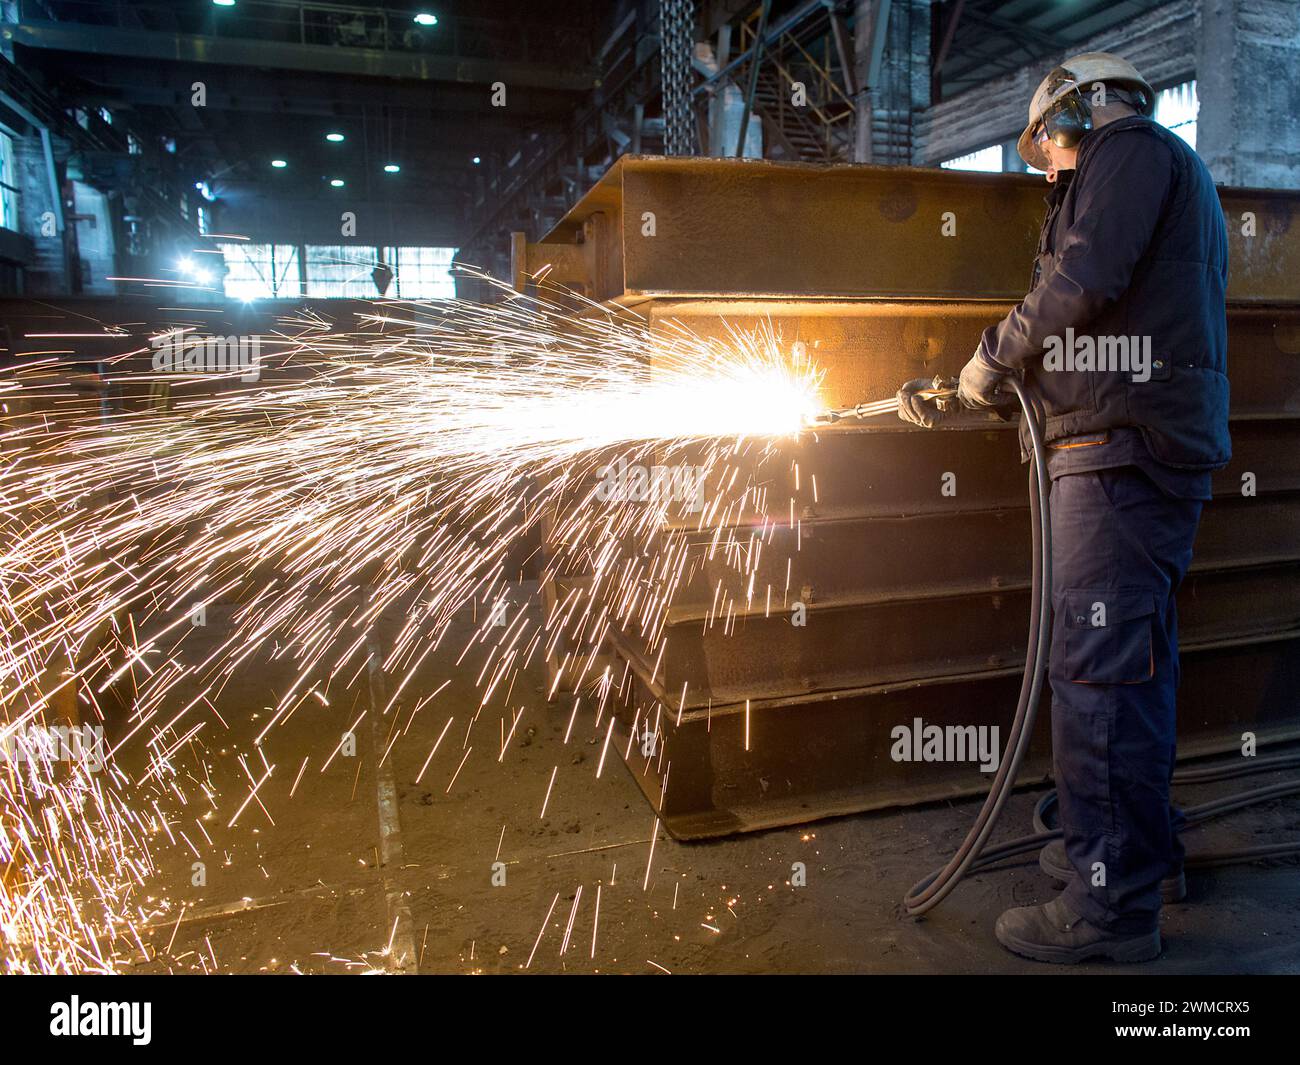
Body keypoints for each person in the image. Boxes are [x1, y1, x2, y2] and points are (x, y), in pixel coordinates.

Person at [898, 52, 1230, 963]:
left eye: (1047, 146)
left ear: (1081, 109)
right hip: (1135, 444)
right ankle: (1133, 858)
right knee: (1132, 672)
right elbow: (1100, 329)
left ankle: (1107, 910)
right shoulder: (1161, 170)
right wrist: (981, 387)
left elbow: (1079, 284)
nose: (1047, 167)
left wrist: (994, 353)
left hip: (1122, 457)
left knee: (1096, 683)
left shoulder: (1128, 152)